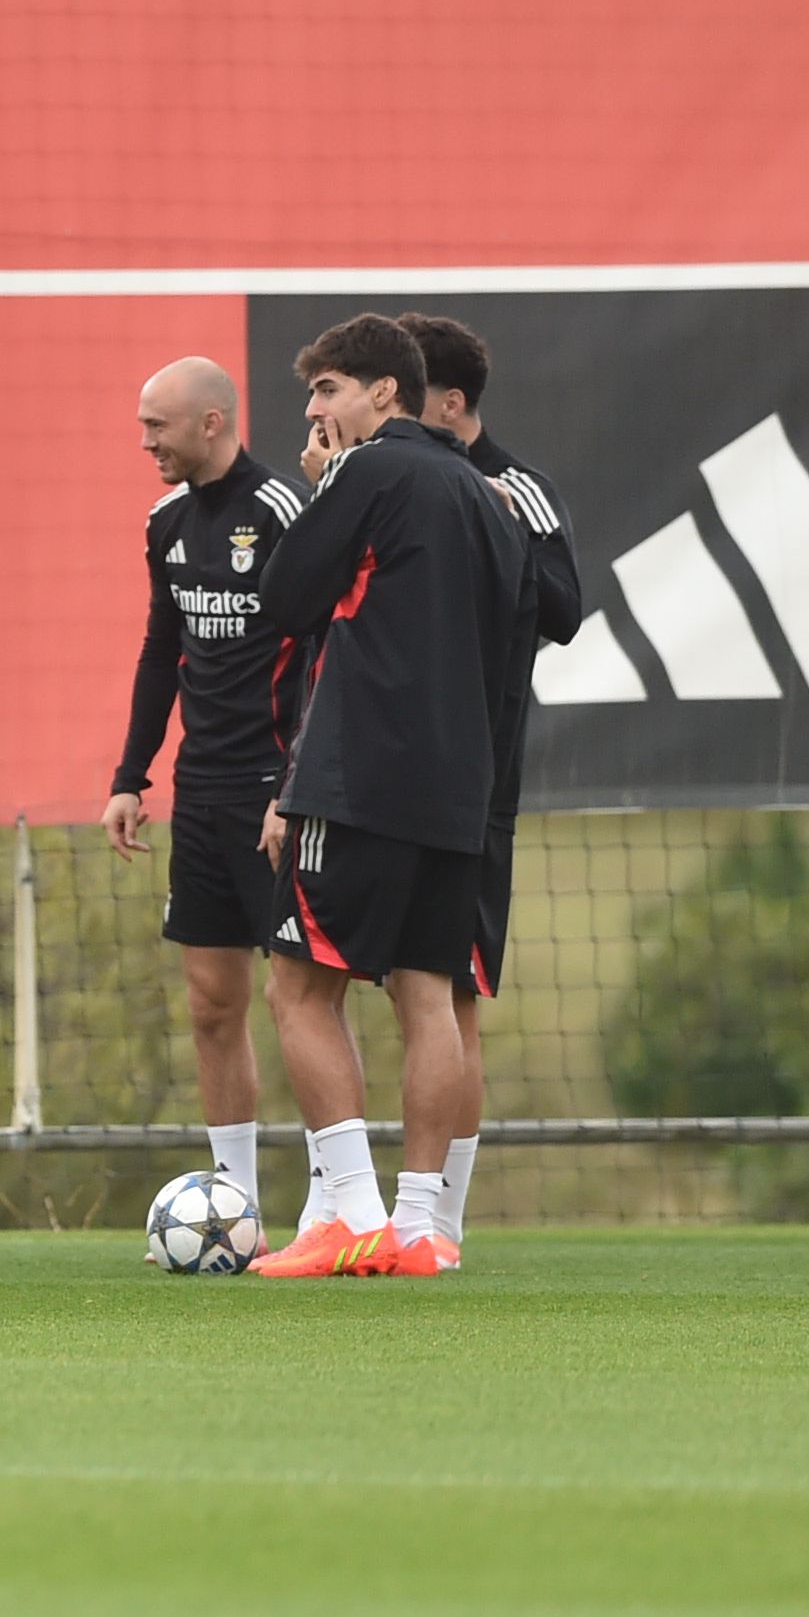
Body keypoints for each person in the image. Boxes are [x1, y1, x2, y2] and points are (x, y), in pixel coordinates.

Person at [246, 315, 531, 1280]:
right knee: (429, 1000)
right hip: (461, 794)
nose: (317, 413)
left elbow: (283, 598)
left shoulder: (369, 472)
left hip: (361, 779)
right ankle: (418, 1229)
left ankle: (349, 1215)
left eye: (327, 391)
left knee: (297, 987)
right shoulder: (490, 499)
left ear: (383, 393)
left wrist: (324, 485)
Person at [391, 313, 587, 1265]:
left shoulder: (512, 487)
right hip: (386, 779)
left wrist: (485, 531)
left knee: (451, 992)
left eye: (404, 388)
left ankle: (437, 1218)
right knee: (395, 987)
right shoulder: (382, 482)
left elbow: (566, 609)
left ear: (451, 403)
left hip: (476, 781)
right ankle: (354, 1205)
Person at [106, 356, 307, 1233]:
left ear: (213, 423)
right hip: (201, 791)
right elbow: (162, 654)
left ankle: (340, 1197)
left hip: (278, 793)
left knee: (298, 999)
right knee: (211, 1002)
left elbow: (323, 658)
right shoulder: (165, 523)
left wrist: (297, 786)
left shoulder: (284, 514)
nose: (145, 440)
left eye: (158, 425)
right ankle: (236, 1208)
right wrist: (129, 776)